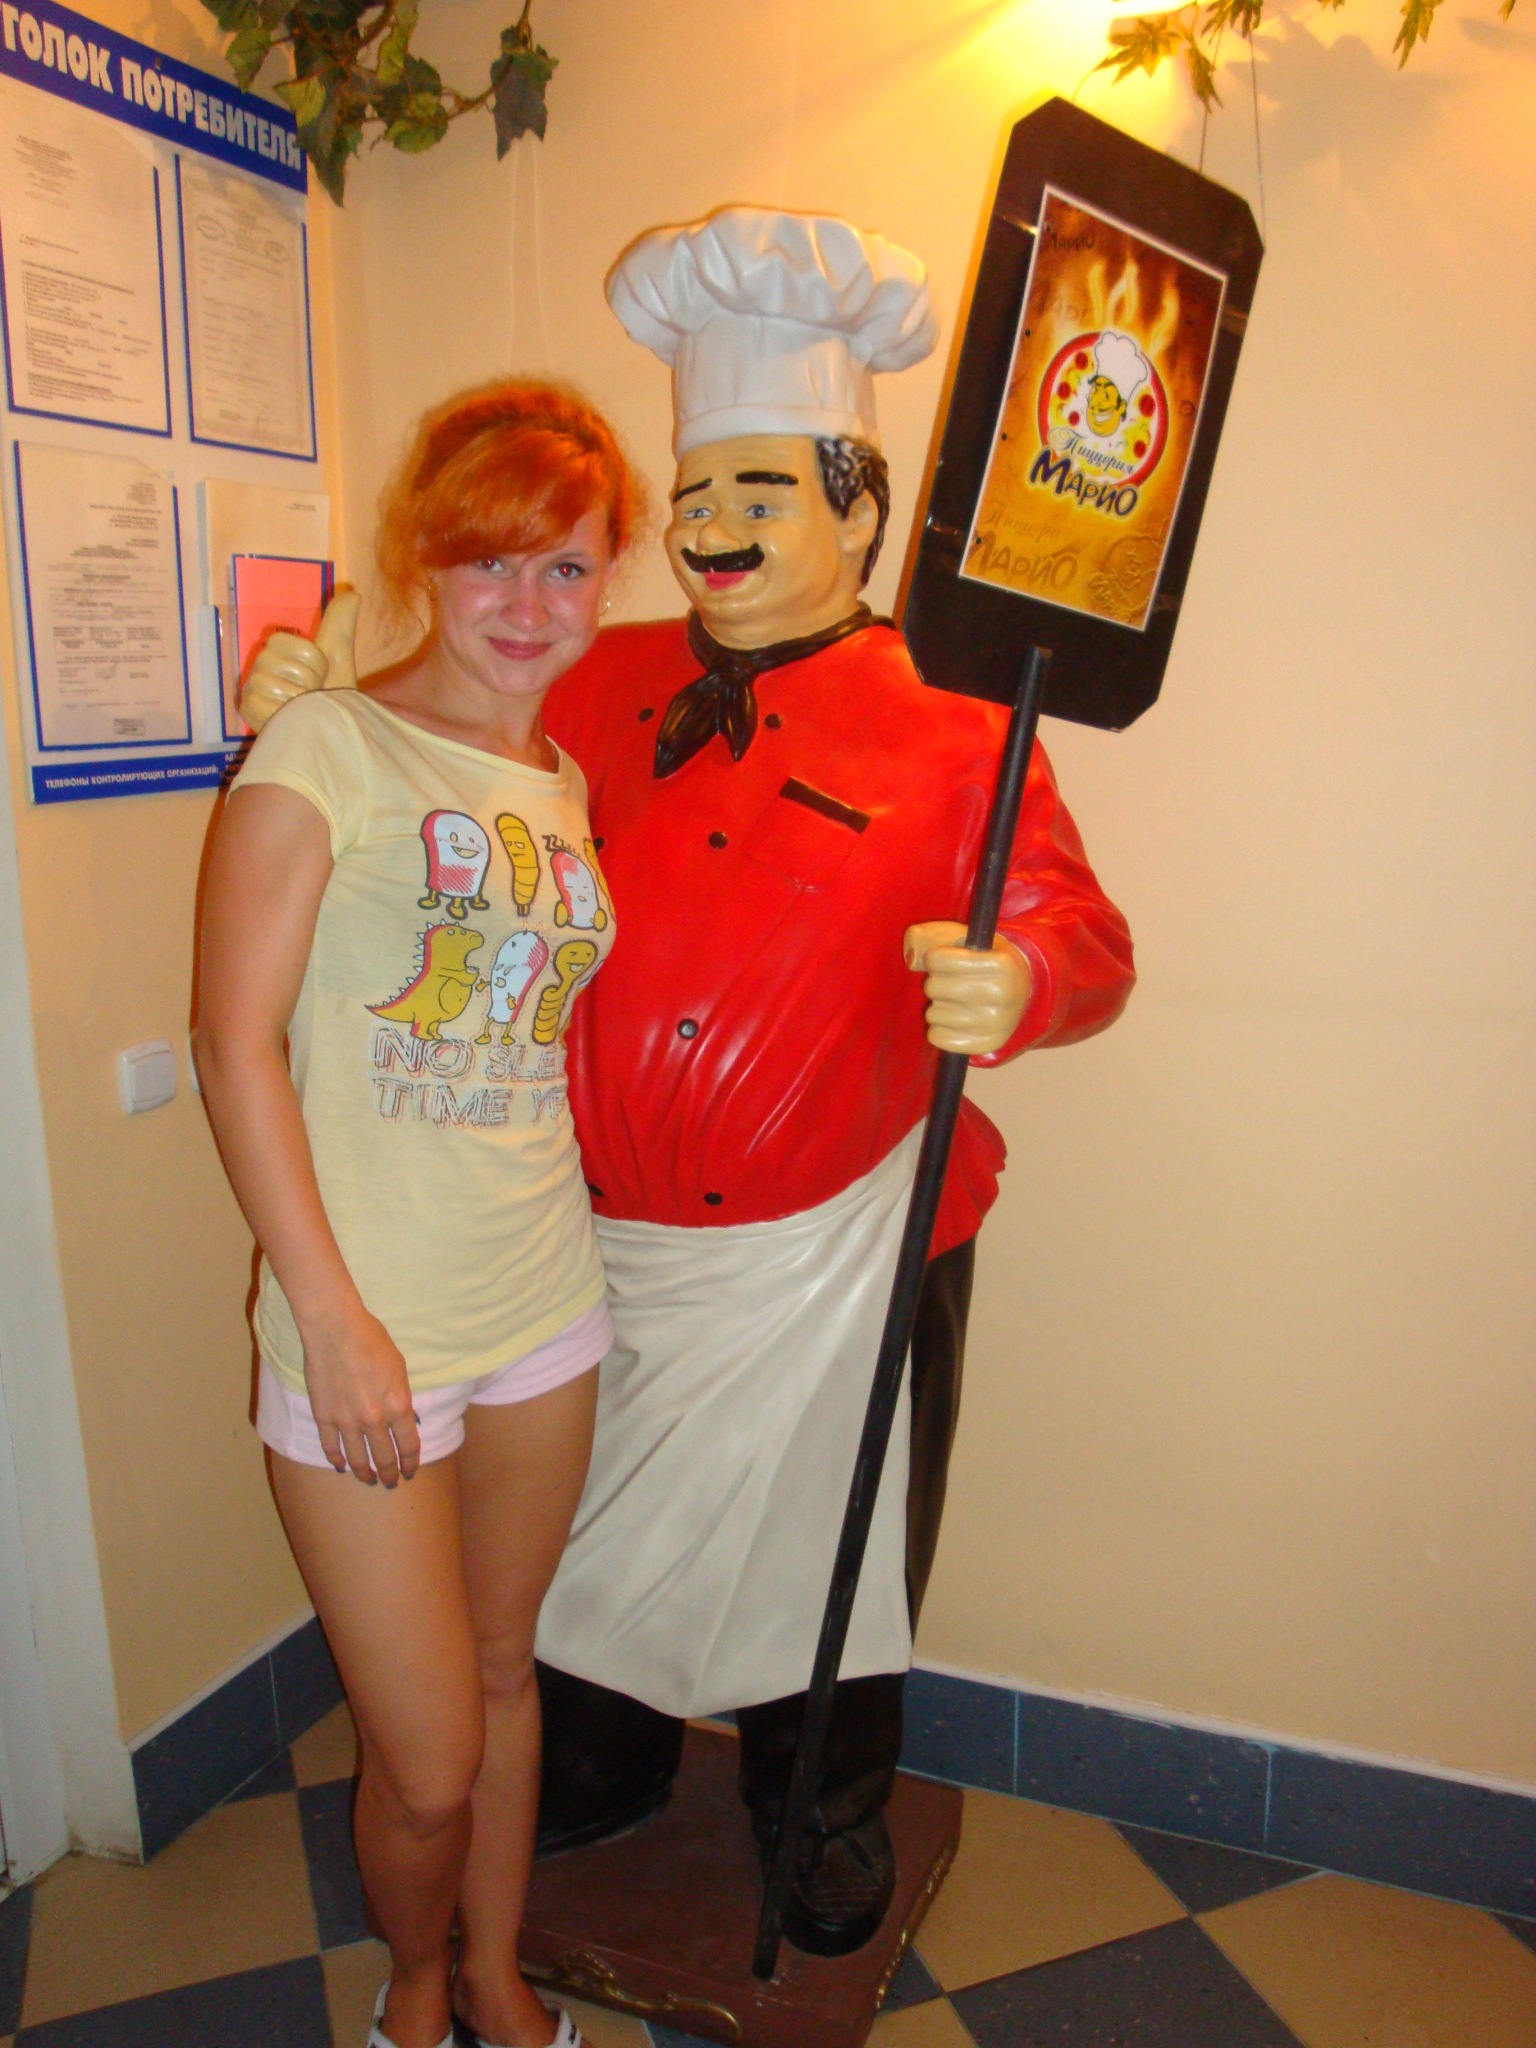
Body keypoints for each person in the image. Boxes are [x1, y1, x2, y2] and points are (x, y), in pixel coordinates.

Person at [241, 207, 1136, 1965]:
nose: (711, 526)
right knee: (583, 1543)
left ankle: (821, 1814)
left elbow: (1082, 928)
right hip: (587, 1248)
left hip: (841, 1247)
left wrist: (1027, 977)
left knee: (833, 1557)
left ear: (861, 510)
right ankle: (598, 1757)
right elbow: (433, 728)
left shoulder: (966, 714)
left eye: (761, 491)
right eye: (695, 489)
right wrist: (319, 693)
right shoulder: (593, 666)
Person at [197, 381, 641, 2048]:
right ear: (424, 563)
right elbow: (233, 1041)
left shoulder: (560, 779)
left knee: (510, 1672)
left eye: (567, 567)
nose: (528, 605)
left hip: (545, 1304)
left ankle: (500, 1974)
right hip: (365, 1330)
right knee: (431, 1754)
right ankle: (416, 1987)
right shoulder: (328, 745)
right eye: (489, 562)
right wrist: (331, 1321)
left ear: (606, 581)